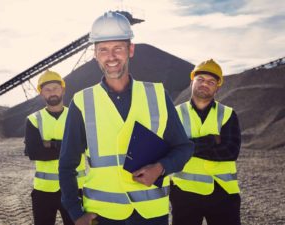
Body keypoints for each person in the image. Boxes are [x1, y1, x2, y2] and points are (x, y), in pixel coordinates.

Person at [58, 11, 194, 225]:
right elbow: (67, 164)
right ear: (95, 54)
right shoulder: (82, 101)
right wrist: (75, 214)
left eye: (117, 48)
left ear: (130, 50)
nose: (110, 57)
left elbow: (184, 147)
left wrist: (160, 168)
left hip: (151, 215)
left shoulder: (157, 95)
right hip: (103, 216)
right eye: (103, 49)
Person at [170, 59, 241, 225]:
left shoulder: (228, 114)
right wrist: (211, 140)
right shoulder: (176, 113)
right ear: (192, 82)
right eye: (200, 79)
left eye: (211, 82)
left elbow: (230, 152)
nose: (205, 84)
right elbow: (171, 149)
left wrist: (187, 146)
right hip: (184, 193)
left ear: (218, 87)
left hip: (223, 192)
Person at [25, 70, 86, 225]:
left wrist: (49, 144)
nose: (52, 92)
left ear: (63, 90)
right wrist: (67, 146)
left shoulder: (77, 115)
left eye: (55, 88)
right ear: (41, 94)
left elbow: (82, 146)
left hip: (75, 188)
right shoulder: (34, 120)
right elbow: (33, 152)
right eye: (47, 89)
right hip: (44, 191)